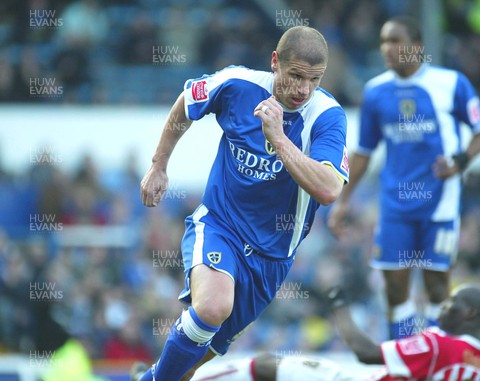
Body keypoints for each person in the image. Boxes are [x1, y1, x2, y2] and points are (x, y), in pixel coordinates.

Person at [131, 25, 349, 381]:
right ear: (275, 62)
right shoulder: (236, 84)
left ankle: (150, 377)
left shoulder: (326, 116)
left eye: (314, 79)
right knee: (213, 306)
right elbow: (186, 104)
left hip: (273, 258)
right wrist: (159, 164)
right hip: (221, 226)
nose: (303, 89)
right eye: (295, 76)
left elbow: (328, 189)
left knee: (190, 365)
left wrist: (278, 138)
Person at [328, 16, 480, 339]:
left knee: (436, 285)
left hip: (439, 201)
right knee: (394, 283)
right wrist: (343, 200)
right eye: (384, 41)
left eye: (395, 40)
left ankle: (436, 353)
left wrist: (460, 161)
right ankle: (405, 356)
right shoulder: (375, 92)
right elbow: (363, 151)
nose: (387, 48)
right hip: (395, 204)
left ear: (417, 46)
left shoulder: (451, 84)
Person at [190, 284, 480, 381]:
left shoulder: (440, 345)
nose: (444, 306)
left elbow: (368, 353)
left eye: (452, 302)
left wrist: (340, 308)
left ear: (468, 313)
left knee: (265, 366)